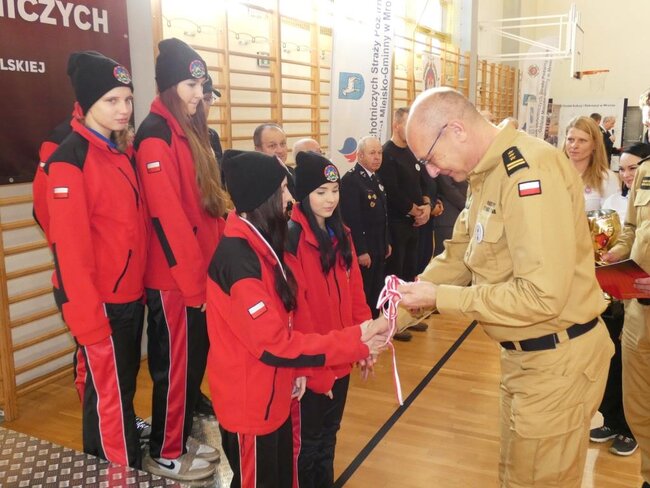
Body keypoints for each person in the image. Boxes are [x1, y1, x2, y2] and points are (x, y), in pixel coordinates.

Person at [397, 87, 613, 488]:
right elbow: (460, 255)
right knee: (516, 477)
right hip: (526, 359)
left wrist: (440, 298)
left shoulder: (528, 173)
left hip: (557, 359)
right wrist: (394, 314)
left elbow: (541, 295)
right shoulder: (487, 173)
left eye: (429, 158)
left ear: (456, 130)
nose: (431, 172)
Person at [206, 149, 389, 488]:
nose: (290, 197)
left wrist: (302, 370)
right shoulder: (240, 260)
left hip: (275, 392)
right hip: (252, 403)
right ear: (262, 198)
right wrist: (356, 340)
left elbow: (286, 319)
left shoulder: (260, 244)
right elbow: (274, 343)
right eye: (281, 190)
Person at [45, 51, 147, 468]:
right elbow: (70, 251)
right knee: (108, 397)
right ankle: (115, 472)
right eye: (112, 100)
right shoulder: (70, 159)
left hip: (128, 295)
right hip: (100, 302)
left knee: (120, 391)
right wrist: (88, 321)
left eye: (128, 99)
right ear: (88, 102)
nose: (124, 109)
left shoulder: (118, 150)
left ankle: (120, 461)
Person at [135, 38, 228, 481]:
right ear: (170, 85)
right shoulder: (155, 135)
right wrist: (193, 287)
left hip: (197, 275)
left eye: (201, 84)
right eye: (191, 85)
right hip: (174, 280)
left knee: (191, 366)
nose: (198, 93)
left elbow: (205, 211)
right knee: (174, 369)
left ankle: (178, 438)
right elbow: (169, 221)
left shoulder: (186, 130)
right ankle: (165, 452)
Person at [287, 150, 373, 487]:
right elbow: (299, 316)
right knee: (307, 446)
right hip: (313, 366)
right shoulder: (293, 239)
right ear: (304, 194)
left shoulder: (341, 233)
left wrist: (364, 342)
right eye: (321, 192)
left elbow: (355, 295)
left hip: (341, 357)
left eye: (335, 191)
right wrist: (316, 372)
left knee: (329, 438)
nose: (330, 199)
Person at [591, 144, 650, 457]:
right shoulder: (645, 172)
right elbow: (632, 228)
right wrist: (617, 252)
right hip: (637, 308)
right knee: (637, 402)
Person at [340, 136, 391, 319]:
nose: (377, 157)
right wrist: (361, 251)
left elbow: (384, 214)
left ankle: (376, 323)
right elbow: (353, 220)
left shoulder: (375, 177)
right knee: (365, 292)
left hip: (378, 245)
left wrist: (386, 242)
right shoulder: (351, 180)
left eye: (379, 153)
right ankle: (366, 327)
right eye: (372, 153)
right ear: (360, 155)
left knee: (377, 289)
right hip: (366, 249)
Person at [564, 116, 619, 212]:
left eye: (582, 140)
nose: (574, 145)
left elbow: (612, 217)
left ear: (595, 144)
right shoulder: (552, 173)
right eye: (570, 139)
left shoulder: (606, 178)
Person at [254, 123, 296, 198]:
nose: (280, 150)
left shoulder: (292, 173)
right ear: (258, 150)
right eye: (272, 145)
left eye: (282, 144)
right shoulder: (255, 183)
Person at [432, 174, 467, 257]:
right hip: (449, 218)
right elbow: (448, 188)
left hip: (465, 217)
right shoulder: (443, 169)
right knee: (445, 256)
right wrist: (468, 206)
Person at [202, 74, 223, 165]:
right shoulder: (175, 138)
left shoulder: (212, 135)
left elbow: (220, 172)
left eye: (209, 99)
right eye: (205, 98)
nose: (207, 106)